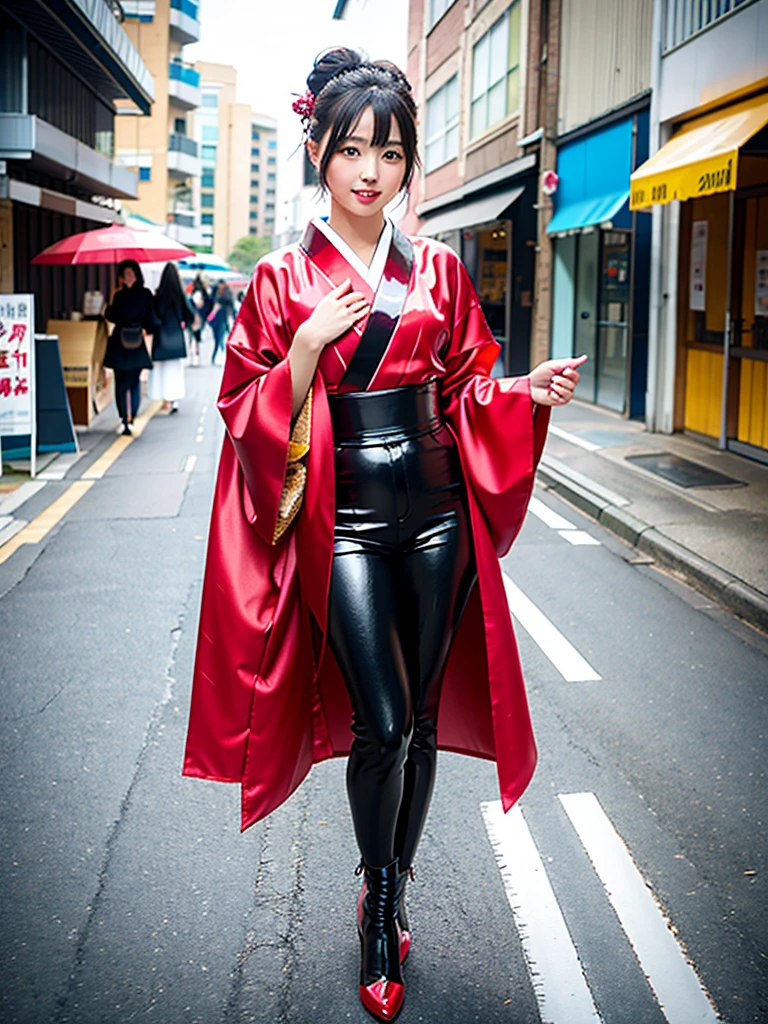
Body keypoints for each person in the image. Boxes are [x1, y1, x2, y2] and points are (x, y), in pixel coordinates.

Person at [183, 48, 586, 1022]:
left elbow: (465, 387)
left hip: (438, 513)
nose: (371, 171)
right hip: (347, 520)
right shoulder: (281, 278)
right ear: (319, 152)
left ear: (408, 164)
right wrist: (307, 345)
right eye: (352, 149)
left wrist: (521, 391)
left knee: (424, 718)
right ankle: (376, 905)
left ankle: (391, 886)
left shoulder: (438, 268)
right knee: (387, 720)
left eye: (391, 153)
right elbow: (242, 405)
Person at [104, 259, 155, 436]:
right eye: (126, 274)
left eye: (130, 273)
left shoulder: (119, 296)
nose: (128, 277)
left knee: (123, 383)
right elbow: (150, 320)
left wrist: (108, 308)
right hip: (136, 342)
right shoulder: (146, 294)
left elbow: (113, 316)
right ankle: (129, 418)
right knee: (132, 383)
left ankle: (125, 418)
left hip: (120, 342)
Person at [148, 263, 197, 413]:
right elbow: (190, 315)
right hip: (176, 337)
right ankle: (173, 401)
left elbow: (153, 315)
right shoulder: (180, 295)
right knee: (173, 370)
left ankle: (164, 401)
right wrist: (183, 323)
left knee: (160, 370)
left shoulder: (158, 295)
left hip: (161, 337)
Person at [207, 280, 235, 365]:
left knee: (221, 337)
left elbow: (231, 304)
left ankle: (221, 356)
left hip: (223, 318)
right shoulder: (215, 292)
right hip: (216, 319)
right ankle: (216, 357)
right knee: (216, 338)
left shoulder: (227, 294)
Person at [190, 273, 212, 365]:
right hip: (200, 316)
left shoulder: (195, 292)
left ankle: (195, 357)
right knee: (197, 337)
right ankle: (197, 357)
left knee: (194, 337)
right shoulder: (204, 293)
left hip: (195, 316)